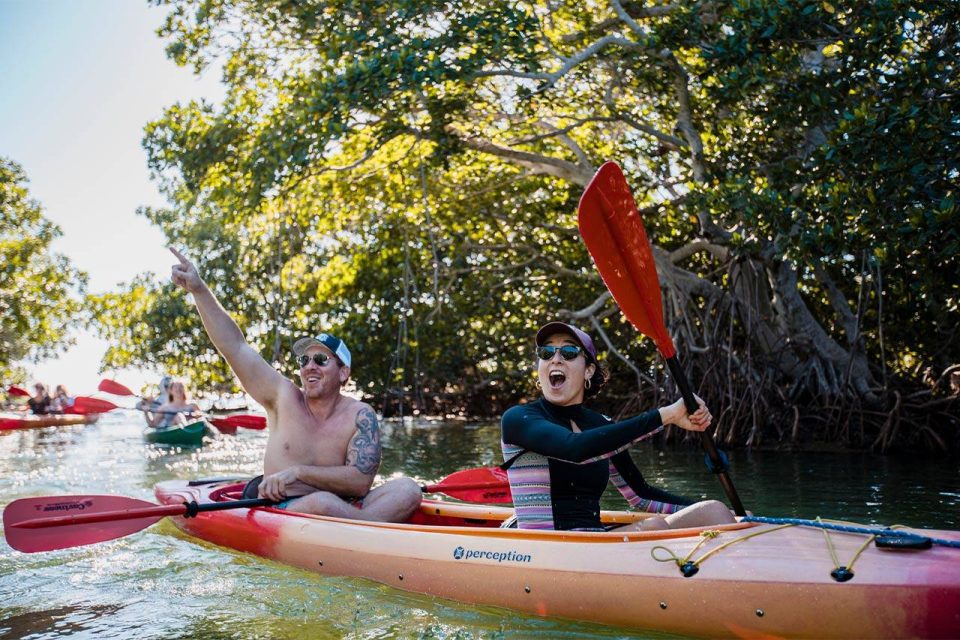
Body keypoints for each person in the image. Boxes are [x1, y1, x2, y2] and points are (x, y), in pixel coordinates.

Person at [168, 247, 422, 522]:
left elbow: (360, 483)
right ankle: (373, 528)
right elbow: (235, 348)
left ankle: (365, 530)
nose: (310, 366)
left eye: (321, 359)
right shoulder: (282, 396)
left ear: (343, 372)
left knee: (408, 489)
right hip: (281, 508)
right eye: (304, 359)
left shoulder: (361, 415)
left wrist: (299, 472)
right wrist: (199, 290)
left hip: (342, 506)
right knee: (323, 503)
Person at [500, 322, 737, 532]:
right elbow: (575, 449)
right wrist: (665, 415)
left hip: (594, 541)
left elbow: (640, 496)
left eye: (569, 352)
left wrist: (734, 516)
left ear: (589, 370)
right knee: (653, 526)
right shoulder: (519, 419)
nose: (556, 358)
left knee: (714, 511)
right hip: (542, 545)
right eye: (546, 352)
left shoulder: (601, 426)